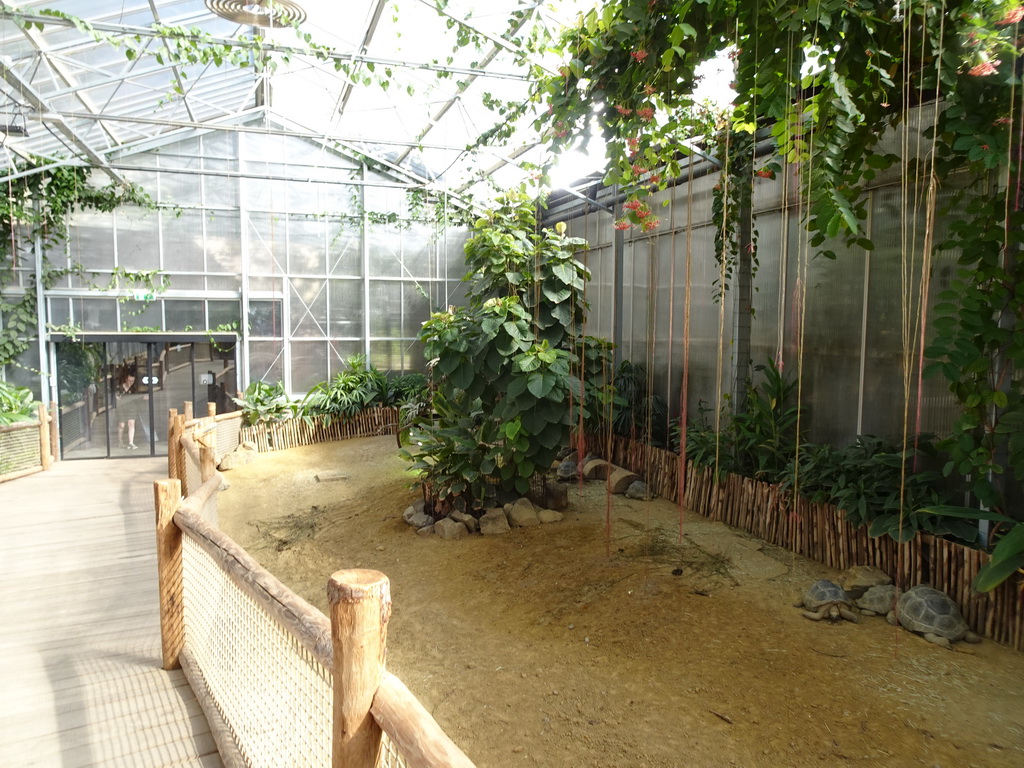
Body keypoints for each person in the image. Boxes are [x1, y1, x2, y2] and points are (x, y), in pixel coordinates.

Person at [115, 371, 142, 449]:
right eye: (130, 381)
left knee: (131, 423)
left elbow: (138, 397)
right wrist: (116, 398)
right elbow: (116, 396)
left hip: (132, 407)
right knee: (121, 425)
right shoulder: (119, 387)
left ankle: (131, 442)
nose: (131, 383)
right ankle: (120, 441)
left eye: (132, 381)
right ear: (126, 379)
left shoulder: (135, 388)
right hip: (121, 407)